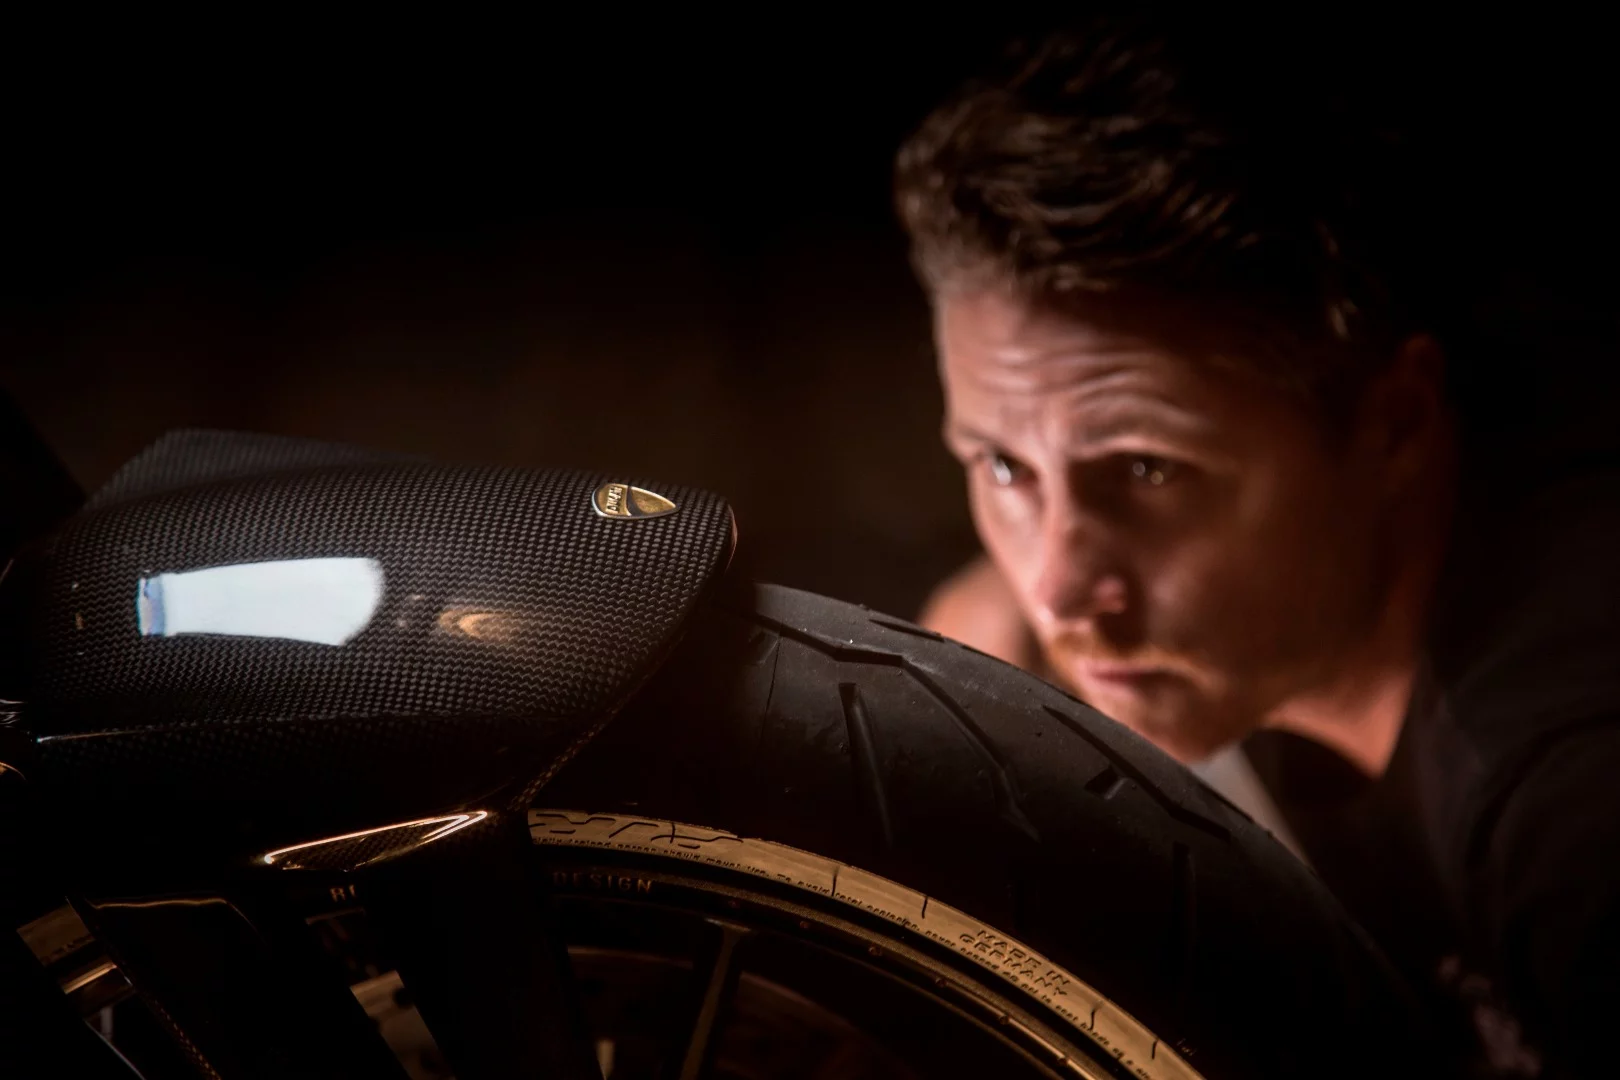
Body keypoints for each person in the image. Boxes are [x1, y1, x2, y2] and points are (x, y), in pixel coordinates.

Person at [896, 14, 1618, 1079]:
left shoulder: (1575, 807)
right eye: (1004, 467)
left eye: (1148, 471)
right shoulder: (1286, 585)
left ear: (1394, 425)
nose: (1057, 585)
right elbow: (994, 607)